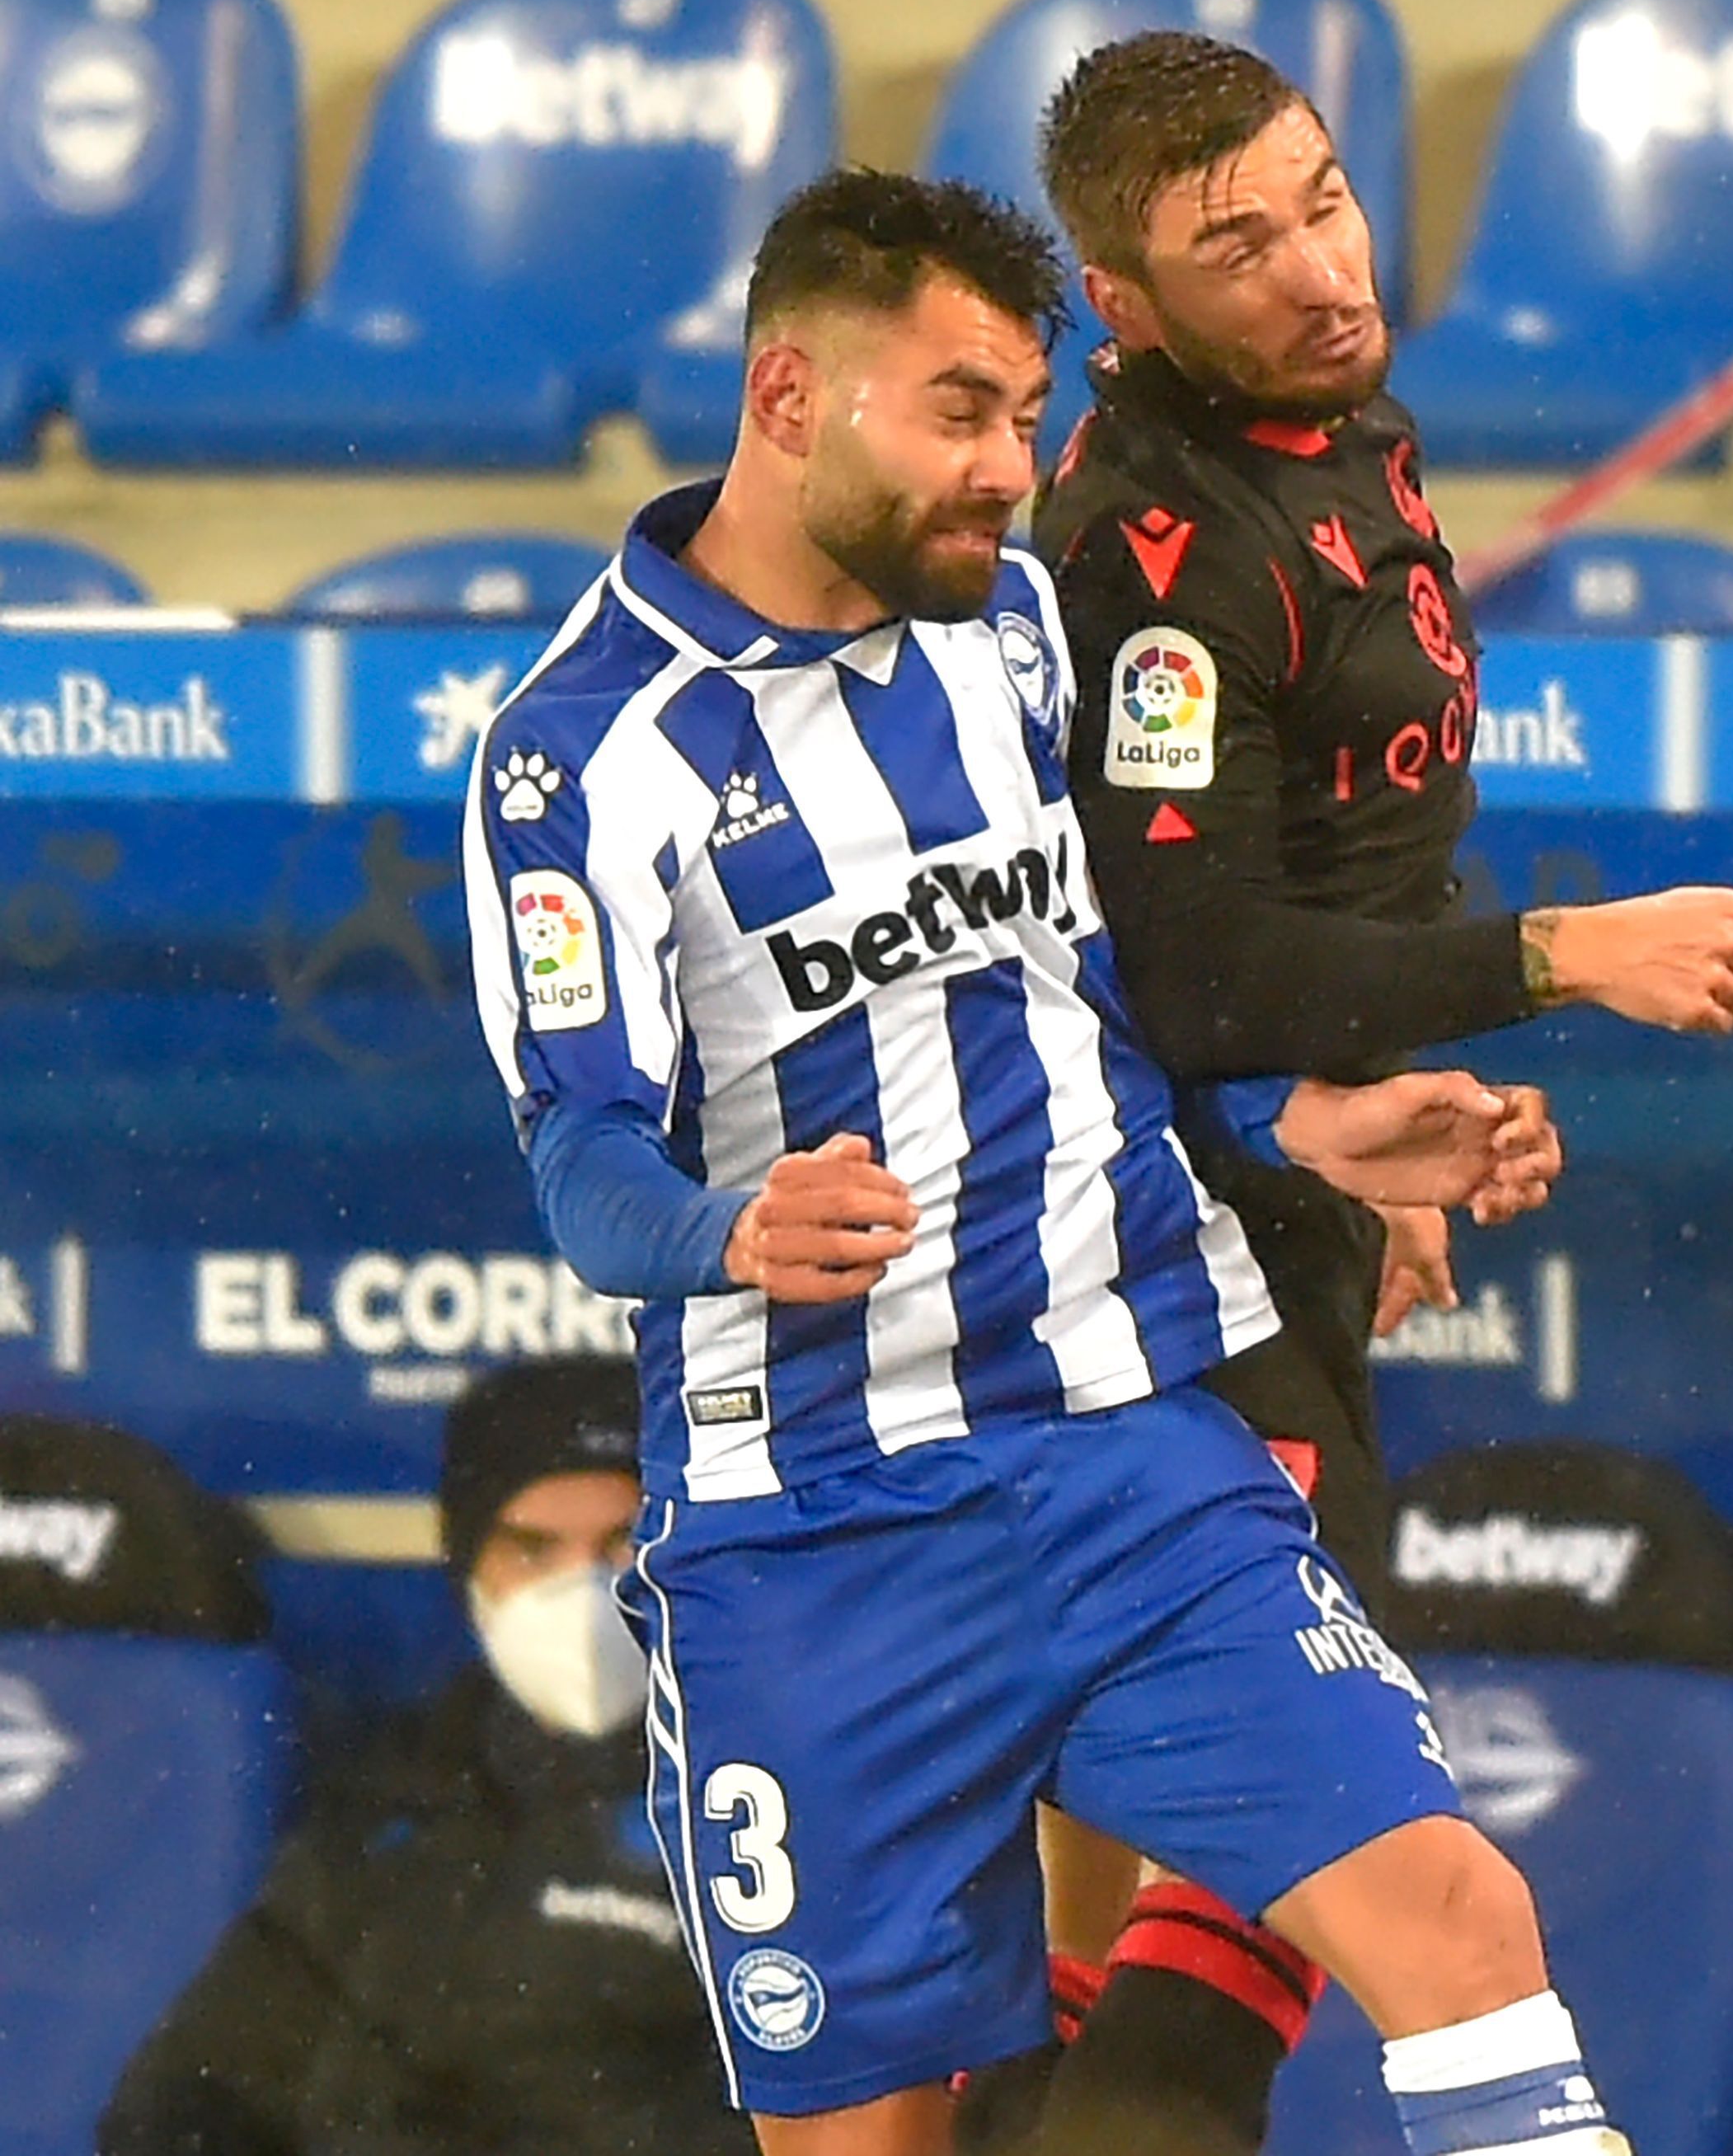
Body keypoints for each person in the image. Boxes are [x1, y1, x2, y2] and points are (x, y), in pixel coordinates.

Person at [461, 167, 1627, 2156]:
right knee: (884, 2134)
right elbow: (579, 1158)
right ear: (785, 397)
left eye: (1024, 412)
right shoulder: (584, 755)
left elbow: (1096, 997)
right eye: (957, 414)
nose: (1010, 470)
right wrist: (722, 1221)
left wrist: (1308, 1124)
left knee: (1454, 1912)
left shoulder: (1008, 631)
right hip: (815, 1537)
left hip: (1128, 1450)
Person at [1014, 33, 1733, 2149]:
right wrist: (1555, 956)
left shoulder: (1344, 432)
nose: (1312, 266)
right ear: (1126, 303)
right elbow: (1180, 965)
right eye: (1232, 244)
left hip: (1279, 1223)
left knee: (1095, 1919)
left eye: (1321, 195)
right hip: (1166, 1290)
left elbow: (1349, 842)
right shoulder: (1151, 553)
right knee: (1377, 1882)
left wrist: (1386, 1105)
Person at [99, 1359, 752, 2156]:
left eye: (623, 1543)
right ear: (468, 1567)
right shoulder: (396, 1805)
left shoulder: (779, 1802)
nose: (583, 1593)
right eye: (533, 1551)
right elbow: (191, 2096)